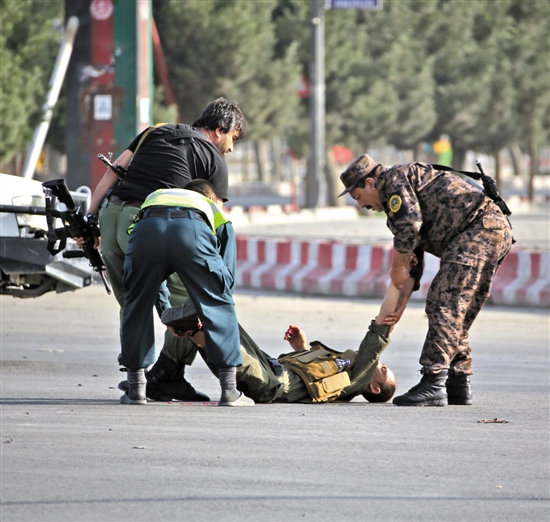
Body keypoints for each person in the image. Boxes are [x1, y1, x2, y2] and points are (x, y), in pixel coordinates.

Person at [85, 98, 248, 401]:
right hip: (152, 221)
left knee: (135, 300)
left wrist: (90, 221)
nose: (231, 148)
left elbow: (113, 173)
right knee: (198, 301)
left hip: (114, 218)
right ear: (219, 130)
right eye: (233, 138)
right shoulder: (213, 159)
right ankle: (179, 374)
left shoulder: (155, 131)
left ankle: (137, 385)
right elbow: (216, 224)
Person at [338, 154, 513, 407]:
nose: (362, 205)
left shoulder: (393, 182)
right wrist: (400, 304)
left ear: (371, 183)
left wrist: (396, 268)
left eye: (358, 197)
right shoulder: (394, 204)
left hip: (478, 229)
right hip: (487, 230)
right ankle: (457, 381)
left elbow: (410, 228)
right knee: (456, 311)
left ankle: (433, 381)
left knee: (443, 304)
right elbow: (414, 259)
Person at [123, 264, 422, 404]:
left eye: (383, 370)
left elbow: (380, 330)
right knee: (223, 321)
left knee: (224, 345)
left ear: (373, 388)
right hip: (276, 366)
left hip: (273, 386)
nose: (380, 365)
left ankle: (195, 334)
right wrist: (301, 346)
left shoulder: (357, 378)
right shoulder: (342, 368)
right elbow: (311, 375)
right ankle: (165, 374)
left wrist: (401, 285)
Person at [118, 179, 254, 407]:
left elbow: (153, 275)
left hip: (147, 230)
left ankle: (136, 389)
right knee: (219, 301)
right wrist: (206, 308)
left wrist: (168, 313)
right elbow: (225, 283)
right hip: (192, 232)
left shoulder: (157, 196)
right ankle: (230, 391)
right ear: (211, 198)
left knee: (136, 301)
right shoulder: (211, 209)